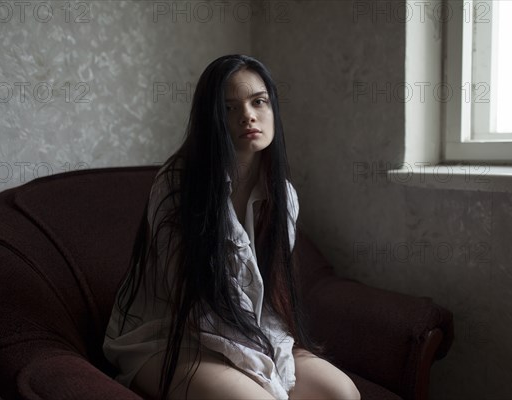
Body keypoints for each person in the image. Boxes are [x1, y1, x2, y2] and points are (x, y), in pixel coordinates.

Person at [103, 54, 360, 400]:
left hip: (251, 332)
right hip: (171, 336)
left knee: (343, 393)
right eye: (228, 108)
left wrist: (271, 359)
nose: (247, 115)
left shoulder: (283, 195)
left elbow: (269, 300)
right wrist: (261, 372)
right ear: (211, 119)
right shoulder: (178, 185)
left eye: (259, 101)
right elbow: (194, 305)